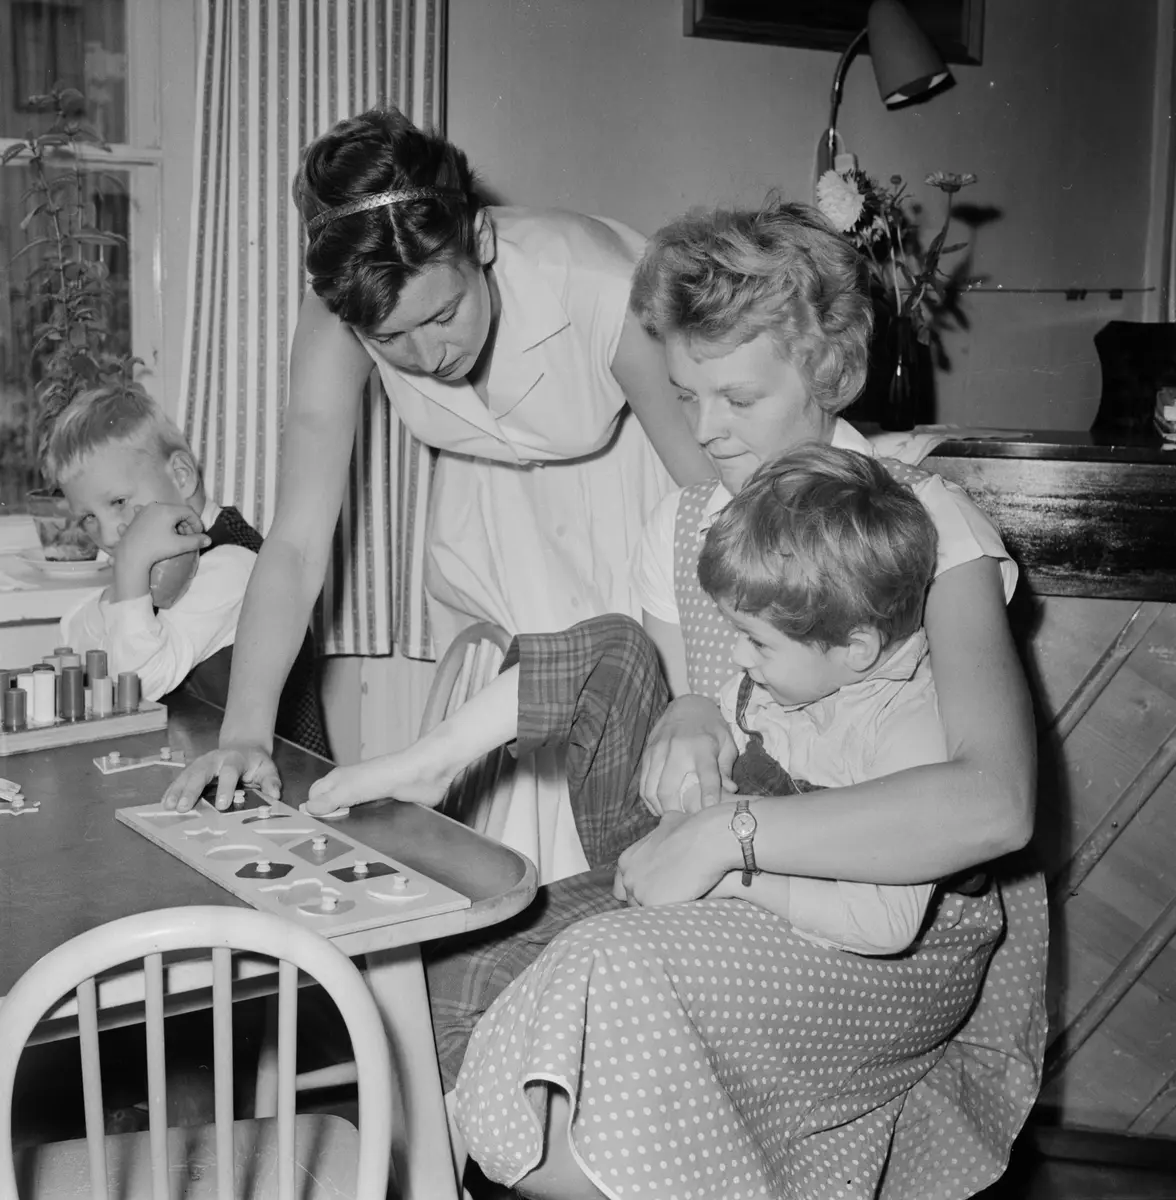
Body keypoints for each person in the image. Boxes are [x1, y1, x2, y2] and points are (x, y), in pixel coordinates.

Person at [309, 200, 1050, 1200]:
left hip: (884, 922)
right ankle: (434, 760)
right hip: (721, 861)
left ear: (827, 373)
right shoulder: (688, 516)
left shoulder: (925, 520)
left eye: (738, 399)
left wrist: (729, 836)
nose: (703, 433)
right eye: (685, 394)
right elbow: (685, 701)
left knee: (604, 987)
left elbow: (995, 806)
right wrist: (690, 710)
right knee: (447, 985)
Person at [162, 108, 714, 843]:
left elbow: (713, 505)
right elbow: (294, 545)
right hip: (492, 524)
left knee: (635, 772)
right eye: (392, 338)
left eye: (445, 312)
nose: (427, 355)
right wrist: (246, 733)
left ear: (479, 238)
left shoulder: (605, 286)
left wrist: (707, 691)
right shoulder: (346, 312)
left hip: (639, 502)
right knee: (501, 805)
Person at [309, 442, 947, 959]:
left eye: (756, 643)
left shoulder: (909, 726)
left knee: (493, 970)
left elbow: (886, 921)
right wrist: (694, 733)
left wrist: (727, 873)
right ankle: (434, 759)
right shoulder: (803, 672)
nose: (739, 659)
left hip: (755, 920)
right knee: (617, 643)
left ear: (858, 647)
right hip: (674, 855)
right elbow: (711, 748)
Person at [46, 385, 327, 754]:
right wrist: (125, 585)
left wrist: (128, 574)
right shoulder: (159, 561)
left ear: (180, 476)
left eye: (118, 501)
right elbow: (73, 635)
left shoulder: (234, 568)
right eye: (88, 518)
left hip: (280, 790)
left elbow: (136, 684)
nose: (109, 532)